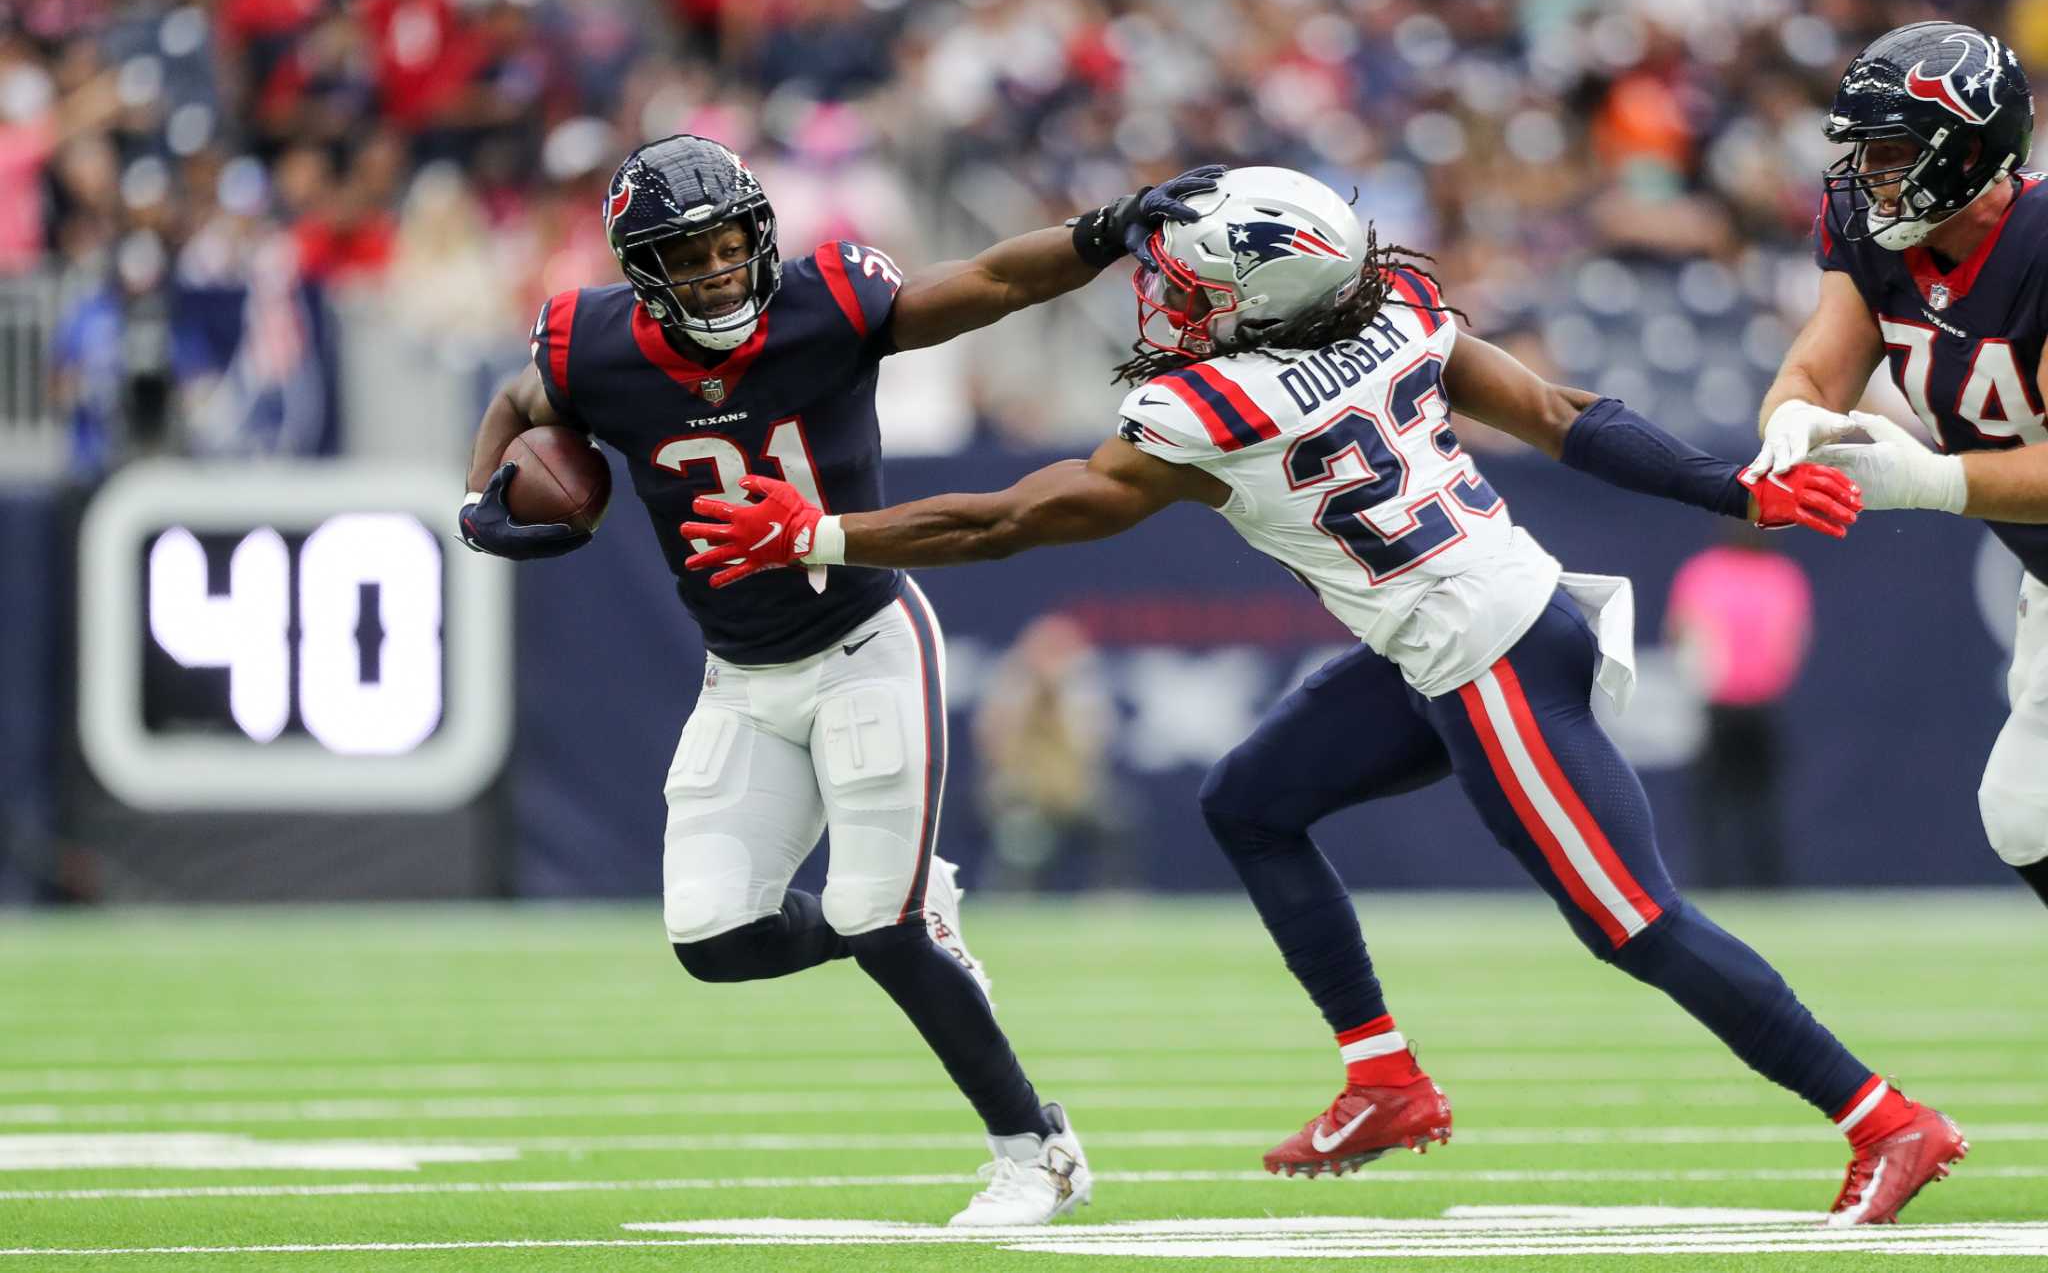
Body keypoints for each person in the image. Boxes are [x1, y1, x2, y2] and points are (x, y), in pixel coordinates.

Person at [684, 165, 1965, 1227]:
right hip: (1456, 632)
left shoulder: (1208, 403)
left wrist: (823, 533)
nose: (1161, 301)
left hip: (1489, 654)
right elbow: (1564, 412)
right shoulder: (1394, 304)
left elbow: (1014, 519)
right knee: (1248, 799)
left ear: (1253, 304)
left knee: (1632, 921)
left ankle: (1882, 1116)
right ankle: (1383, 1077)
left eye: (1187, 289)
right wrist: (1728, 488)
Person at [457, 131, 1223, 1226]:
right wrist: (479, 498)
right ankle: (916, 908)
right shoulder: (592, 346)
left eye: (729, 246)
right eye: (688, 257)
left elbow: (994, 281)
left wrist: (1105, 229)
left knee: (876, 911)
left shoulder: (829, 302)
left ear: (761, 234)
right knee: (715, 940)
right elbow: (519, 400)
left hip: (867, 639)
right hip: (739, 671)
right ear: (642, 273)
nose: (717, 272)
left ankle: (1034, 1148)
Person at [1749, 21, 2048, 912]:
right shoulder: (1875, 237)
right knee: (2026, 814)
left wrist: (1934, 480)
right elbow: (1814, 371)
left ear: (1967, 151)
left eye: (1891, 150)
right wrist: (1793, 425)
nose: (1867, 172)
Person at [1664, 526, 1815, 888]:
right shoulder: (1781, 574)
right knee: (1759, 800)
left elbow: (1680, 631)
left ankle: (1713, 884)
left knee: (1713, 802)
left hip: (1718, 703)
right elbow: (1792, 640)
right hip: (1760, 704)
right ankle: (1766, 885)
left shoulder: (1704, 571)